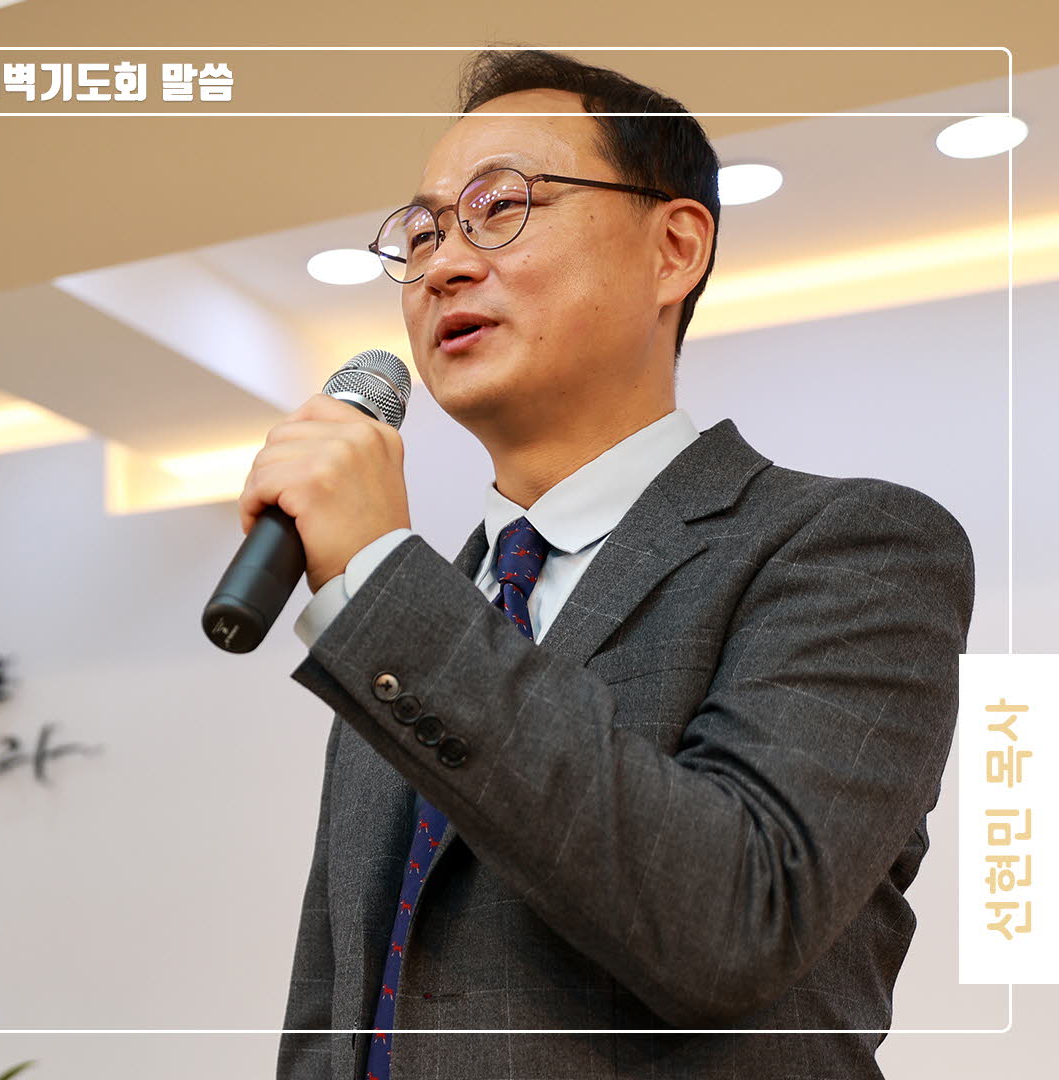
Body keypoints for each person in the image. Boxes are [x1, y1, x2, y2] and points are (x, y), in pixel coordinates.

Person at [244, 50, 976, 1080]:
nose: (443, 265)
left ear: (673, 249)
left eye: (500, 207)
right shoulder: (414, 614)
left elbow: (735, 919)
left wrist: (377, 577)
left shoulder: (852, 546)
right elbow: (337, 1013)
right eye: (423, 232)